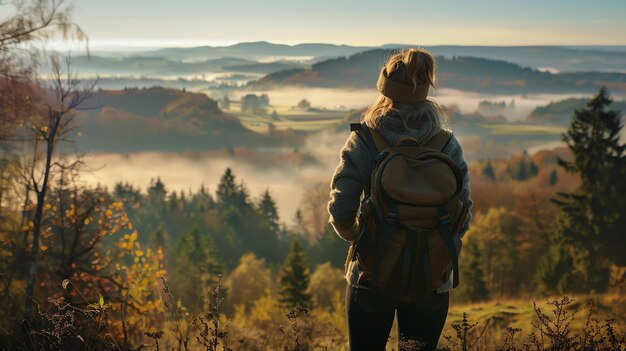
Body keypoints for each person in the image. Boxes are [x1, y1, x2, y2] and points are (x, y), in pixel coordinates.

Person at [327, 48, 473, 351]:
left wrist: (359, 236)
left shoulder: (365, 139)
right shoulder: (446, 143)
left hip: (372, 273)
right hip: (431, 278)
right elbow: (464, 213)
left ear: (383, 89)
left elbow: (341, 209)